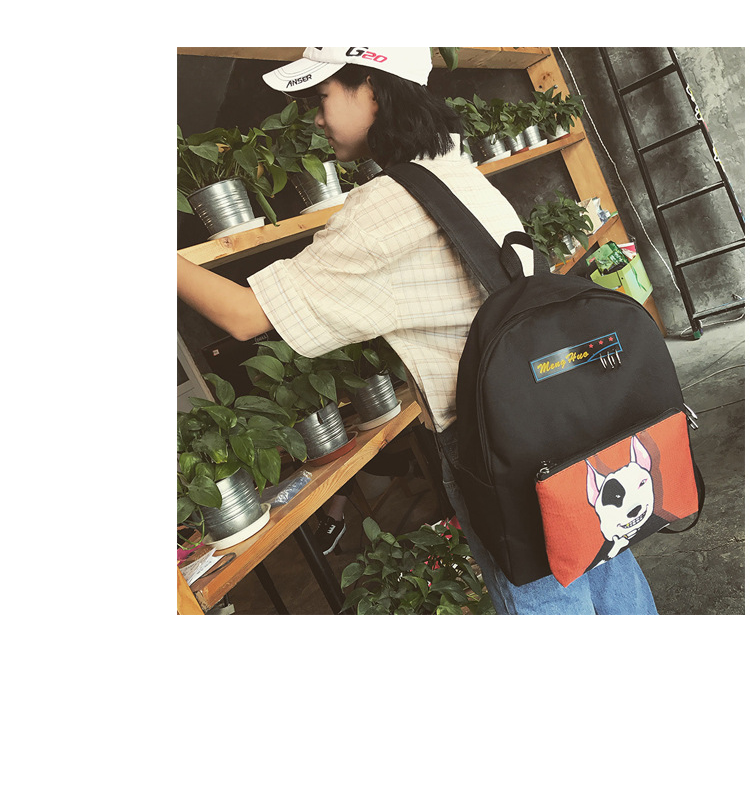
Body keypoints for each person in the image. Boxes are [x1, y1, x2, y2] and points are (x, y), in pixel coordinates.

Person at [177, 46, 658, 614]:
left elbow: (245, 316)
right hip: (557, 418)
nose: (316, 118)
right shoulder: (457, 174)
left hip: (492, 445)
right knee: (604, 560)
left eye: (322, 97)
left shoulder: (385, 204)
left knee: (547, 601)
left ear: (372, 89)